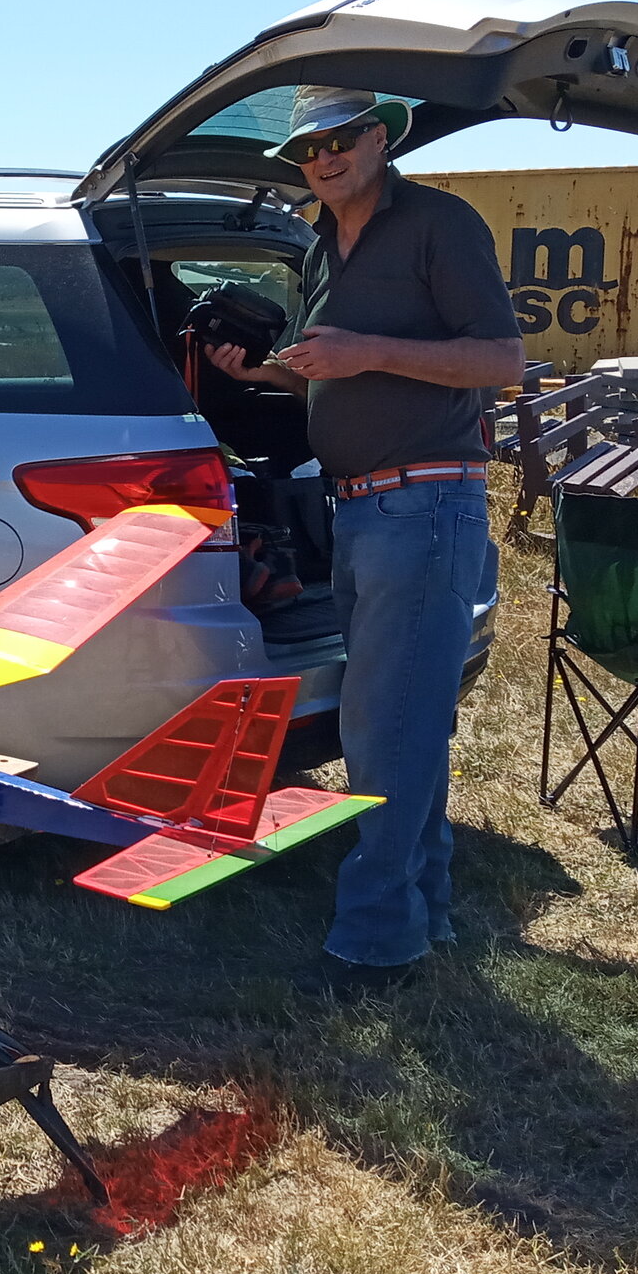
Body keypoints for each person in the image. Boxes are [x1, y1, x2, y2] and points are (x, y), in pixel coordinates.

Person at [210, 86, 523, 995]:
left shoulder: (438, 224)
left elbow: (501, 360)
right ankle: (427, 907)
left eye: (342, 139)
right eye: (309, 148)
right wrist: (268, 370)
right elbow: (333, 364)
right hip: (359, 510)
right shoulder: (316, 242)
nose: (324, 157)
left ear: (381, 138)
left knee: (386, 725)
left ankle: (374, 941)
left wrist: (365, 351)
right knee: (399, 722)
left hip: (426, 504)